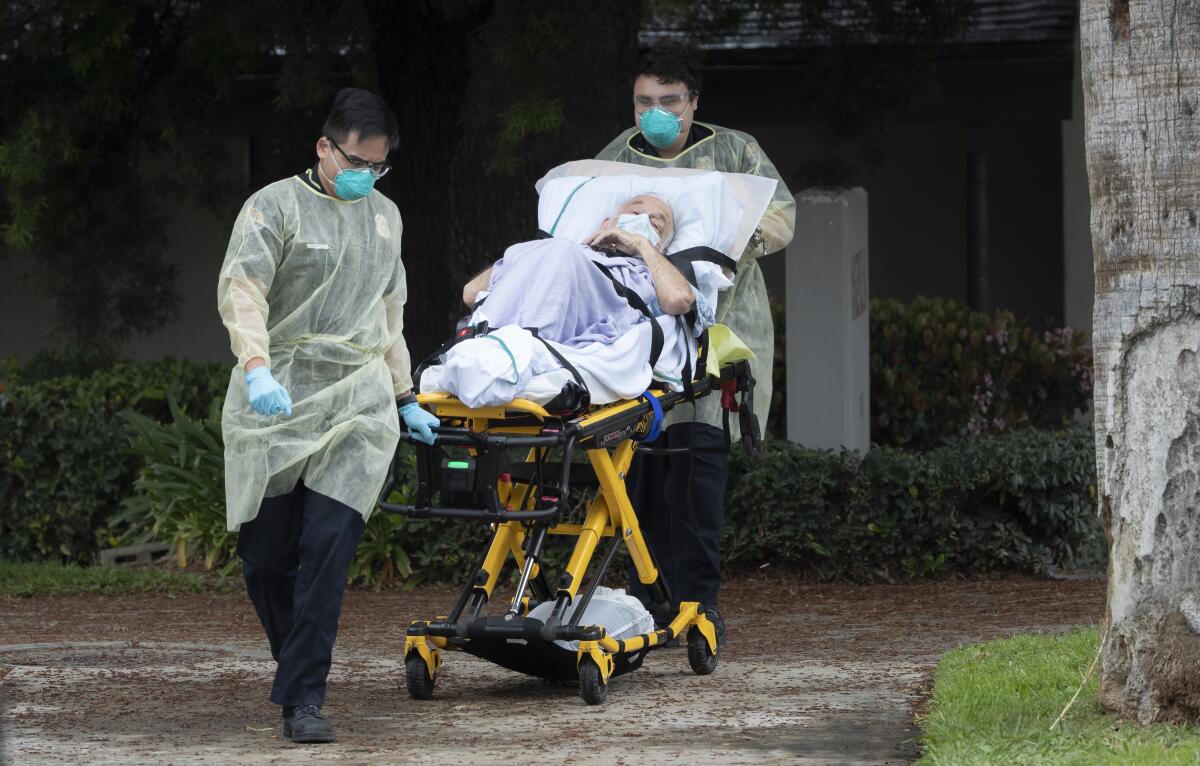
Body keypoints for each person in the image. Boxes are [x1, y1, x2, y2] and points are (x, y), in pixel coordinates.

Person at [216, 88, 438, 744]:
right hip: (278, 400)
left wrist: (403, 396)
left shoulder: (385, 217)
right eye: (356, 162)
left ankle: (304, 698)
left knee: (324, 552)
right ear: (324, 147)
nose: (366, 175)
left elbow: (387, 313)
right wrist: (256, 367)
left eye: (379, 165)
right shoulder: (273, 207)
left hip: (359, 409)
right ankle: (297, 669)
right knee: (263, 559)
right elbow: (242, 288)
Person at [596, 45, 797, 641]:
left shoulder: (735, 152)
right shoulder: (614, 160)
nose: (656, 113)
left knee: (698, 469)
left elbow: (781, 216)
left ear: (692, 104)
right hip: (637, 339)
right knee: (639, 475)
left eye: (669, 101)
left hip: (714, 331)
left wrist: (731, 243)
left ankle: (699, 604)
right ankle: (646, 602)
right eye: (644, 102)